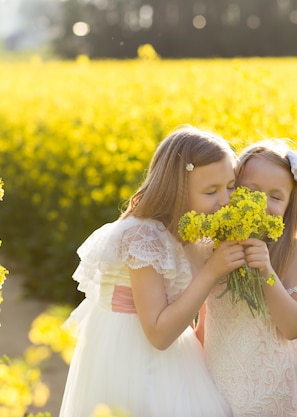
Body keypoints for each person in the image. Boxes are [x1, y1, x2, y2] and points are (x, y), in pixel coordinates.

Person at [59, 126, 241, 417]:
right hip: (131, 356)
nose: (226, 200)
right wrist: (212, 271)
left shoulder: (193, 230)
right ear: (177, 190)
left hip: (175, 349)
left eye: (231, 186)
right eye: (211, 191)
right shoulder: (144, 237)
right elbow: (158, 334)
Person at [197, 138, 297, 417]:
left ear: (290, 206)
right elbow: (203, 318)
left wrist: (267, 272)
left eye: (276, 197)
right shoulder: (212, 244)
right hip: (216, 382)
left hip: (268, 392)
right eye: (251, 191)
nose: (261, 204)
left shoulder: (295, 248)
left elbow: (293, 327)